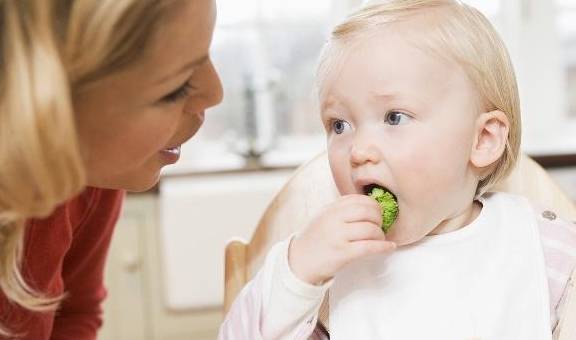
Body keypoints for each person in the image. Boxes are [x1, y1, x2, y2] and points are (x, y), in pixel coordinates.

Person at [219, 1, 576, 339]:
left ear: (482, 139)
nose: (358, 151)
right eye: (339, 125)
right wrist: (296, 274)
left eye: (394, 117)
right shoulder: (326, 272)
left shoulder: (545, 248)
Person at [0, 0, 222, 338]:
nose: (216, 93)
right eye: (175, 89)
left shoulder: (91, 175)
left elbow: (74, 313)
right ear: (45, 106)